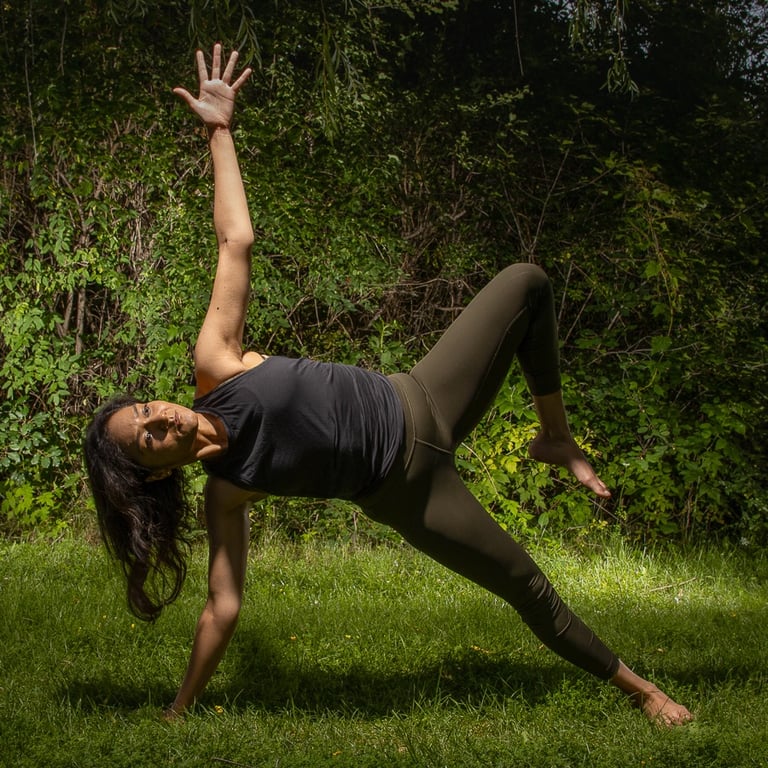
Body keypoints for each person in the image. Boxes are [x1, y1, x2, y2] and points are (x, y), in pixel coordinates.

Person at [84, 44, 693, 727]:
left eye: (147, 407)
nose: (163, 417)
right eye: (149, 437)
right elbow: (223, 606)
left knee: (527, 282)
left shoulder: (216, 366)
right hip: (410, 493)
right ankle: (644, 691)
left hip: (422, 394)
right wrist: (180, 708)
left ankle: (555, 437)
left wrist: (220, 132)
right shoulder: (226, 492)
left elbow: (236, 240)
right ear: (157, 472)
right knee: (523, 582)